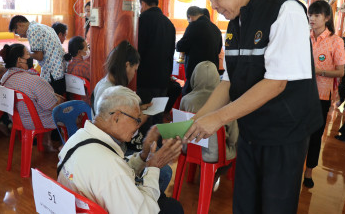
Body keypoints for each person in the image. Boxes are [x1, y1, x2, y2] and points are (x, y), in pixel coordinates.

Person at [183, 0, 322, 214]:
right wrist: (197, 121)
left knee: (274, 206)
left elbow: (276, 83)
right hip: (251, 129)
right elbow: (229, 81)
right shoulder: (235, 24)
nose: (213, 6)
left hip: (284, 133)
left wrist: (218, 119)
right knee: (245, 204)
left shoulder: (284, 10)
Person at [57, 86, 184, 214]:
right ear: (116, 117)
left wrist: (144, 155)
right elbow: (145, 211)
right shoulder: (110, 167)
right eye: (136, 120)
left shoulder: (78, 137)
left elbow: (119, 168)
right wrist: (153, 166)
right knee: (172, 207)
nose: (138, 126)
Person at [92, 40, 172, 193]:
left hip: (110, 146)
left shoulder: (104, 84)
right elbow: (121, 130)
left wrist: (139, 108)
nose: (134, 74)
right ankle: (144, 200)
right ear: (127, 65)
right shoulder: (111, 91)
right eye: (134, 69)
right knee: (165, 171)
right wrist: (146, 115)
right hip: (114, 150)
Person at [303, 0, 345, 188]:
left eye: (316, 15)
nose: (311, 19)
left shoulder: (335, 41)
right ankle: (294, 166)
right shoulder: (305, 37)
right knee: (297, 131)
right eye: (310, 15)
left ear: (327, 18)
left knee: (315, 134)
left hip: (321, 95)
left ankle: (309, 171)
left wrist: (319, 72)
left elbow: (341, 72)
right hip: (300, 92)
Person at [0, 43, 64, 151]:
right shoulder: (34, 80)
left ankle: (46, 140)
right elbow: (52, 106)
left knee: (40, 103)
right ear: (20, 60)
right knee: (70, 112)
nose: (30, 57)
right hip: (35, 121)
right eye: (28, 54)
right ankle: (67, 148)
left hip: (17, 119)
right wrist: (60, 99)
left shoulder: (5, 77)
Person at [180, 61, 238, 163]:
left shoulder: (185, 100)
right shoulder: (226, 102)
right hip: (215, 154)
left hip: (189, 149)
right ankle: (215, 177)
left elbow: (180, 126)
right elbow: (233, 137)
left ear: (194, 77)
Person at [137, 0, 176, 123]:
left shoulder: (142, 20)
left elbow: (138, 50)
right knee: (158, 115)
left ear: (143, 3)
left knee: (145, 115)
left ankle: (145, 144)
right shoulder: (169, 24)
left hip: (145, 78)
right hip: (163, 79)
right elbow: (171, 53)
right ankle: (157, 142)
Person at [8, 15, 66, 95]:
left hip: (52, 73)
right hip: (59, 70)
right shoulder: (41, 26)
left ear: (19, 25)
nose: (20, 36)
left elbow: (39, 56)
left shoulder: (32, 30)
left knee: (55, 103)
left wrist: (25, 54)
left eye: (17, 32)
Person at [176, 6, 222, 95]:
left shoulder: (193, 26)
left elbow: (180, 46)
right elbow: (218, 50)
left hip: (196, 73)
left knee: (189, 99)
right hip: (212, 73)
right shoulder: (216, 29)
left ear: (190, 17)